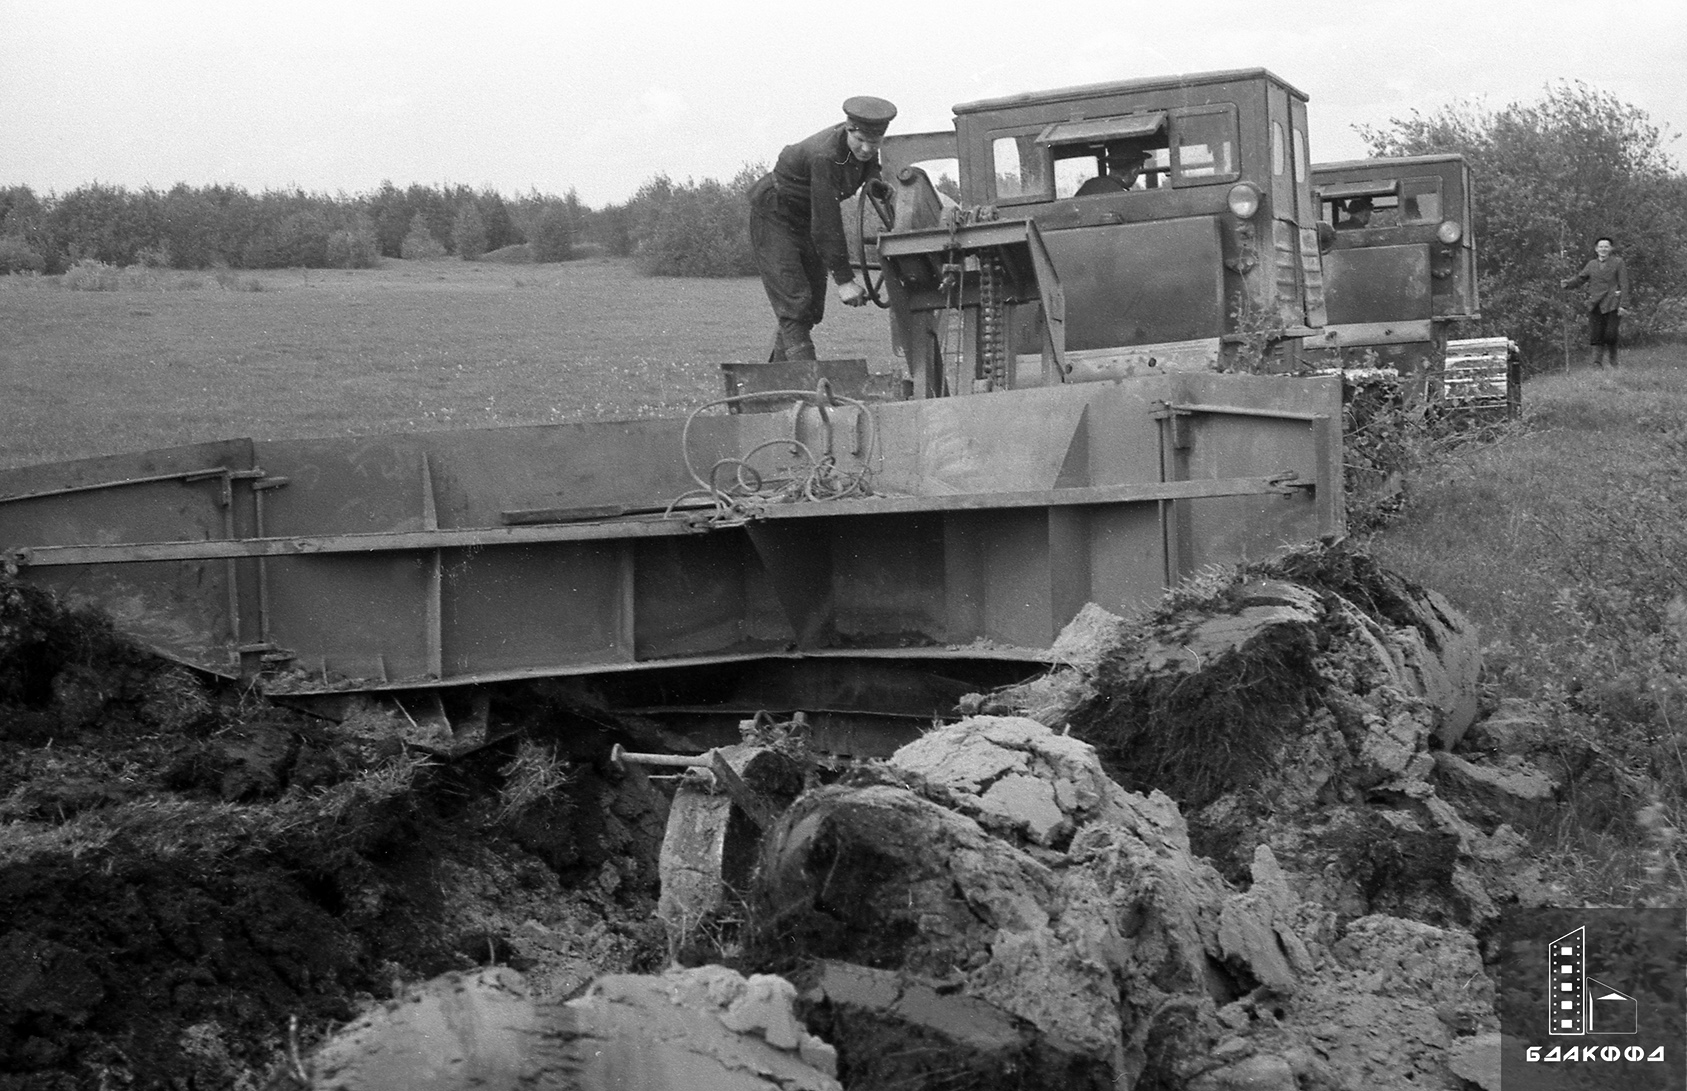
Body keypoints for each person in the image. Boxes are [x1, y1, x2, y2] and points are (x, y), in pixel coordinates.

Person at [747, 96, 897, 362]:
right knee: (795, 303)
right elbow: (827, 220)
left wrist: (876, 183)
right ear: (849, 128)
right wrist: (845, 280)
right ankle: (805, 384)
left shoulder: (864, 151)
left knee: (812, 308)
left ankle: (774, 384)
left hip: (806, 218)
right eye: (859, 140)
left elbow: (870, 168)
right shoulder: (825, 156)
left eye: (873, 144)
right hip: (775, 215)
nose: (865, 149)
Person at [1562, 236, 1631, 369]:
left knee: (1611, 334)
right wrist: (1567, 284)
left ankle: (1613, 362)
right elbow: (1580, 279)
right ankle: (1596, 364)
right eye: (1601, 247)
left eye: (1606, 247)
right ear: (1596, 249)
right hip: (1595, 303)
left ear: (1611, 248)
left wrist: (1624, 304)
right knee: (1596, 335)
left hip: (1613, 303)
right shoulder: (1591, 264)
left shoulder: (1618, 262)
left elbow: (1624, 284)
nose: (1603, 249)